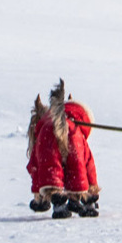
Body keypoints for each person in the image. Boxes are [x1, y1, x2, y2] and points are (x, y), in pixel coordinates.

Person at [26, 79, 101, 218]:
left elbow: (37, 168)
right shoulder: (76, 130)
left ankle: (58, 204)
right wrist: (91, 191)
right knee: (78, 165)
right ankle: (81, 200)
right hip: (73, 136)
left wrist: (39, 196)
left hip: (48, 138)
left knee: (49, 166)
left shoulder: (43, 130)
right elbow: (88, 167)